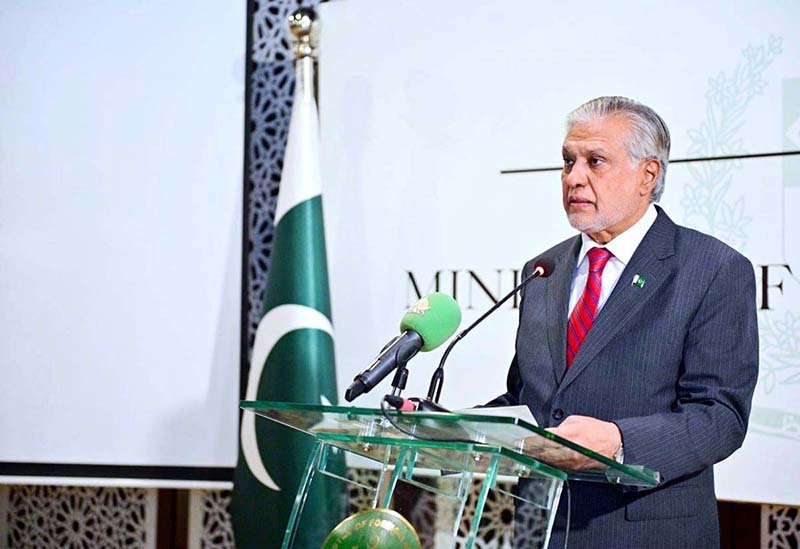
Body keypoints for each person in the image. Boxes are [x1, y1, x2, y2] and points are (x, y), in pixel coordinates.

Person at [488, 96, 759, 548]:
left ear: (647, 175)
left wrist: (618, 440)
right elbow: (531, 400)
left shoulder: (711, 268)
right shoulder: (542, 271)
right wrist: (449, 424)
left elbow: (721, 416)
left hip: (645, 533)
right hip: (539, 530)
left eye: (595, 161)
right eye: (568, 161)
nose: (574, 178)